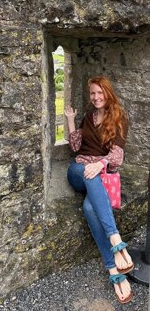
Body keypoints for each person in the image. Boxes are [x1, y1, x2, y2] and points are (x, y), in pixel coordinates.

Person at [65, 76, 134, 304]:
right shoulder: (88, 116)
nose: (95, 97)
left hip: (101, 174)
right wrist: (71, 120)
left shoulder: (119, 118)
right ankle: (115, 239)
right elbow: (75, 147)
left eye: (99, 93)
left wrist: (99, 164)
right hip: (78, 170)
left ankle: (113, 268)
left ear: (108, 93)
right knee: (85, 170)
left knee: (89, 208)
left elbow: (117, 157)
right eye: (92, 93)